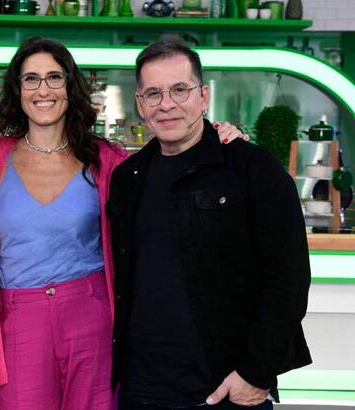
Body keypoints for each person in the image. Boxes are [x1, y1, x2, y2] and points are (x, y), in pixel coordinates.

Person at [0, 37, 247, 410]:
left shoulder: (106, 158)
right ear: (17, 90)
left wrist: (216, 135)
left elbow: (164, 174)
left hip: (92, 316)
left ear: (71, 86)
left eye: (54, 77)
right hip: (20, 318)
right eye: (30, 79)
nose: (43, 89)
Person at [107, 39, 312, 410]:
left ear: (203, 96)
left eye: (179, 89)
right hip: (142, 389)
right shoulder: (126, 178)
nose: (166, 103)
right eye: (153, 93)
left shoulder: (253, 169)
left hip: (224, 390)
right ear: (140, 104)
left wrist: (256, 372)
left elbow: (289, 280)